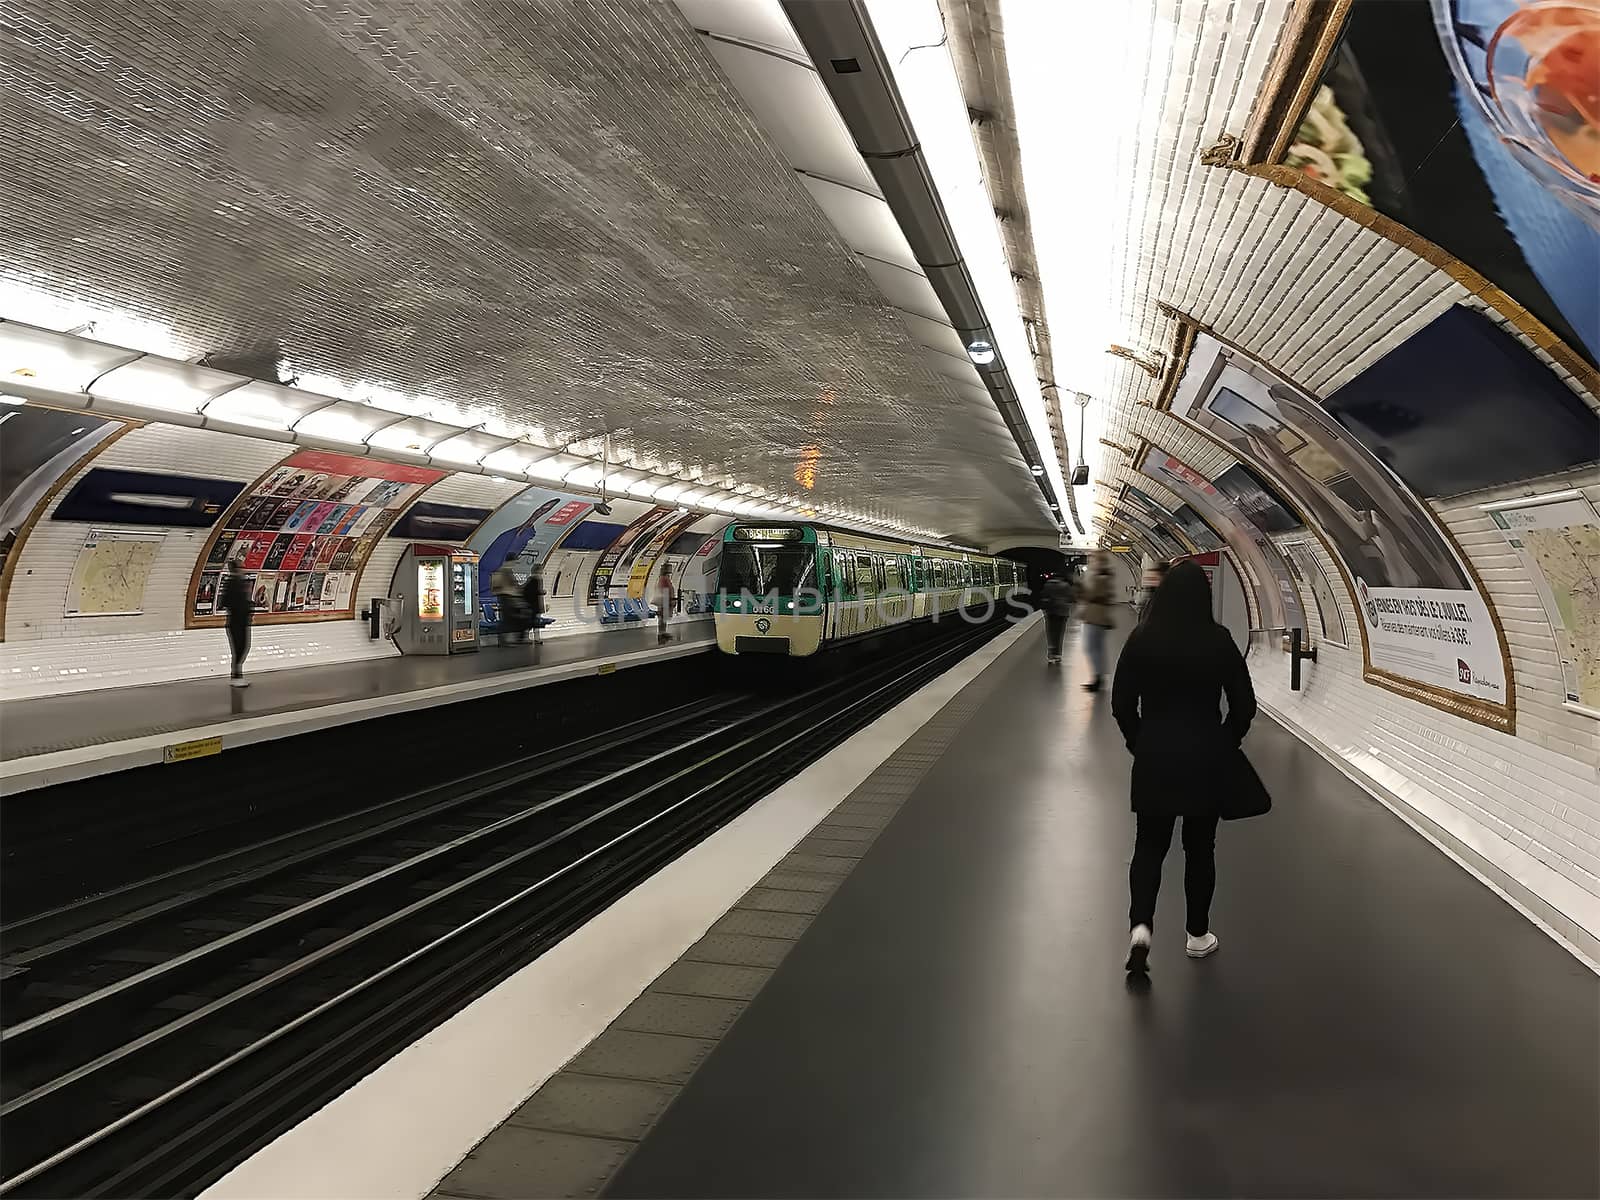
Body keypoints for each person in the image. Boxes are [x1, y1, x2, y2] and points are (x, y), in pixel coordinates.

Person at [1111, 561, 1258, 973]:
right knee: (1199, 848)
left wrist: (1138, 742)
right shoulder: (1219, 640)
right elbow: (1245, 705)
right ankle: (1197, 935)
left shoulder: (1141, 639)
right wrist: (1224, 742)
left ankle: (1141, 930)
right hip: (1203, 759)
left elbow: (1121, 704)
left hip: (1155, 757)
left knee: (1149, 847)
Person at [1078, 552, 1118, 692]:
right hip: (1097, 616)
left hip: (1095, 616)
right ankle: (1099, 676)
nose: (1090, 562)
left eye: (1093, 560)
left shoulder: (1099, 577)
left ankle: (1098, 678)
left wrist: (1082, 584)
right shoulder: (1104, 576)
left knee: (1090, 647)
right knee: (1097, 648)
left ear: (1099, 561)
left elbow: (1089, 594)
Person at [219, 557, 253, 688]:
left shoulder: (240, 583)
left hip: (242, 621)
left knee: (244, 646)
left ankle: (237, 674)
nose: (243, 570)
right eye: (241, 568)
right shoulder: (231, 583)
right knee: (239, 648)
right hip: (235, 621)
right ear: (236, 569)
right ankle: (236, 676)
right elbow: (225, 602)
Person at [1039, 572, 1074, 665]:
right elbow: (1071, 598)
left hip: (1050, 612)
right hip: (1062, 613)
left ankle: (1051, 655)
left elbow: (1043, 596)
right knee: (1059, 634)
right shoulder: (1065, 585)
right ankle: (1058, 655)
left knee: (1050, 633)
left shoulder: (1048, 585)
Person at [491, 566, 524, 646]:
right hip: (506, 598)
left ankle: (505, 640)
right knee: (507, 619)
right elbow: (511, 586)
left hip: (506, 598)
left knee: (508, 619)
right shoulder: (505, 572)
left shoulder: (504, 572)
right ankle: (504, 640)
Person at [523, 564, 546, 646]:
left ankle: (529, 637)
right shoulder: (536, 580)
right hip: (534, 605)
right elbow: (535, 592)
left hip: (532, 605)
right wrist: (542, 592)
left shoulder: (530, 580)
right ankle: (534, 638)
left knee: (532, 622)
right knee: (534, 622)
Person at [654, 563, 674, 643]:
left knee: (663, 618)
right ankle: (662, 635)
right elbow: (666, 589)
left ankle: (663, 634)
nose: (670, 570)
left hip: (665, 600)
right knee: (662, 618)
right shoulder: (663, 578)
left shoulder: (664, 578)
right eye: (669, 568)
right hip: (665, 601)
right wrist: (671, 599)